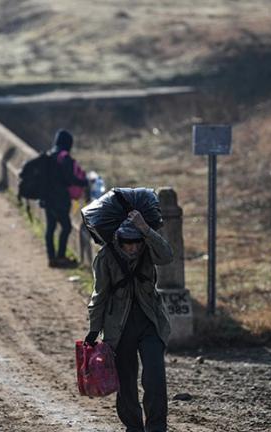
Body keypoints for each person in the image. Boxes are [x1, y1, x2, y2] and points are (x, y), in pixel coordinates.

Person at [85, 211, 174, 432]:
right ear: (118, 239)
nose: (132, 248)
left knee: (155, 378)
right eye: (127, 243)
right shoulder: (106, 257)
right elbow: (100, 294)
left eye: (136, 242)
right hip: (119, 328)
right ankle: (133, 427)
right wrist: (94, 329)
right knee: (126, 382)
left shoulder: (148, 249)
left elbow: (167, 256)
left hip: (150, 323)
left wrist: (145, 230)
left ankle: (156, 427)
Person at [40, 129, 88, 268]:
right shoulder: (64, 157)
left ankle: (51, 258)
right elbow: (69, 178)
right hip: (60, 199)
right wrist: (84, 182)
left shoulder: (49, 155)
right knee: (66, 227)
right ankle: (60, 257)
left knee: (50, 228)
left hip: (47, 198)